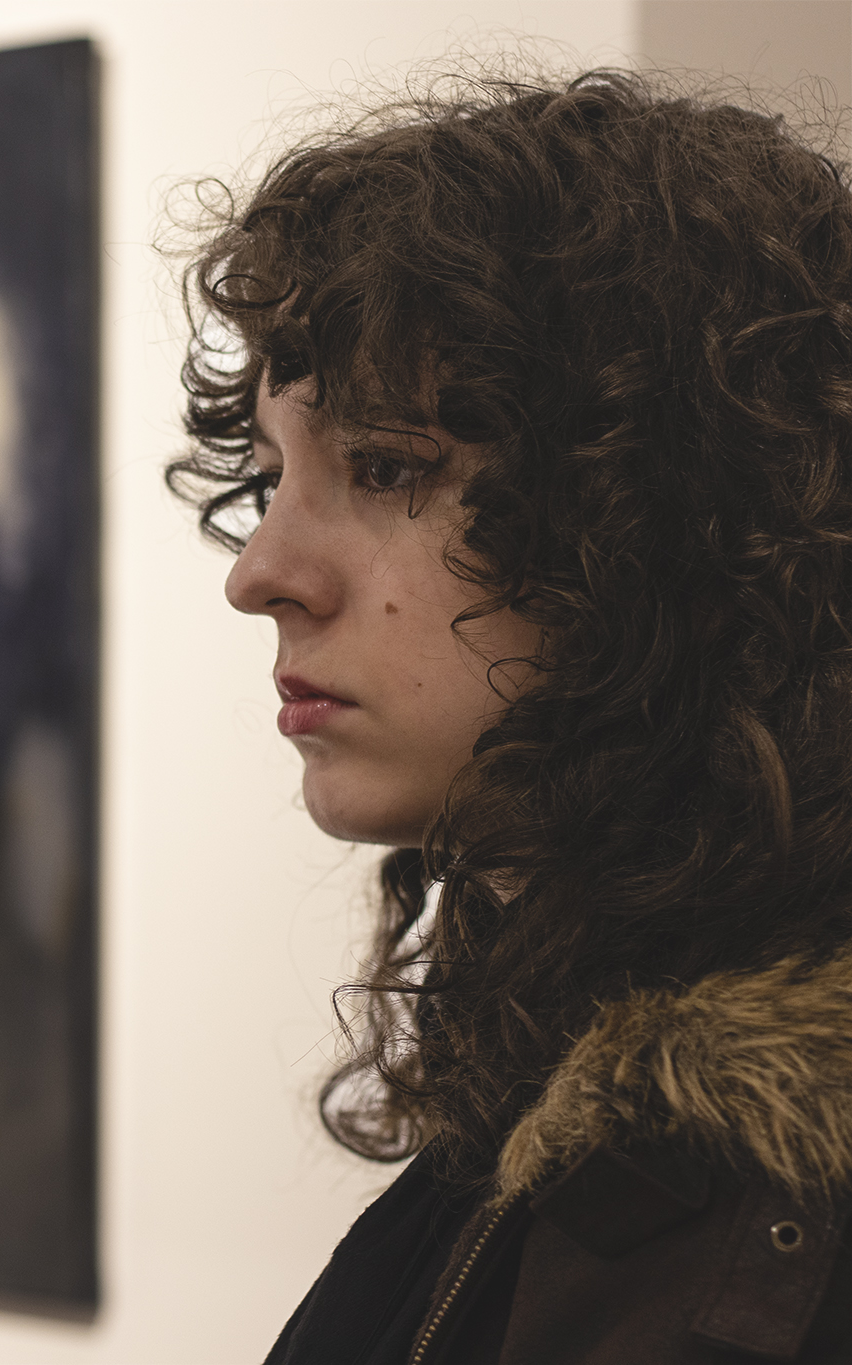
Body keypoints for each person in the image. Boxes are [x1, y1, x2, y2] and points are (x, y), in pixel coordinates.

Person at [170, 68, 852, 1362]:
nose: (261, 573)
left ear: (662, 515)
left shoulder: (765, 1213)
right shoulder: (548, 1100)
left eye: (386, 467)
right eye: (267, 479)